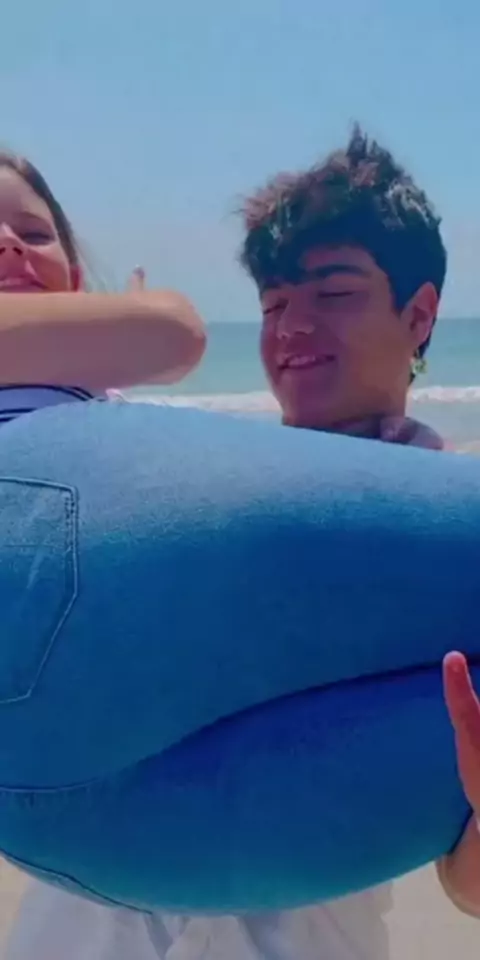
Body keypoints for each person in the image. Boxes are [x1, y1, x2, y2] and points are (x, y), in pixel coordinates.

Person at [4, 131, 479, 960]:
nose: (293, 326)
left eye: (333, 292)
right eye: (271, 305)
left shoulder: (438, 522)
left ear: (420, 314)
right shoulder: (174, 487)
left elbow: (465, 880)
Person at [0, 151, 206, 408]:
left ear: (75, 281)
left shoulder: (99, 391)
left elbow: (177, 336)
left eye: (34, 234)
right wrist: (132, 319)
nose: (9, 241)